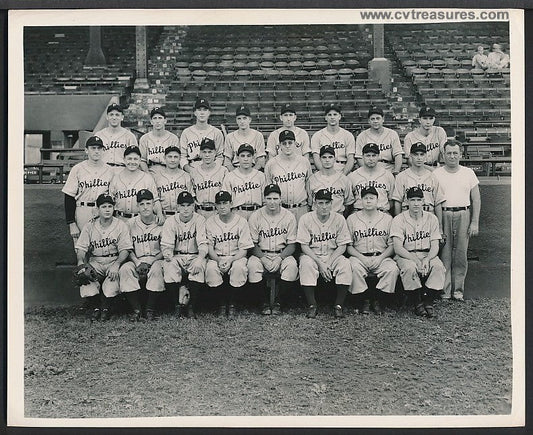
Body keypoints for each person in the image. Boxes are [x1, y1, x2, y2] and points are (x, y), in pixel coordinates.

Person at [433, 140, 481, 301]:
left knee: (461, 254)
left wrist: (474, 222)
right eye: (449, 153)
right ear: (443, 154)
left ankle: (458, 291)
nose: (452, 156)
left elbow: (476, 199)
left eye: (455, 153)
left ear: (460, 154)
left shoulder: (468, 173)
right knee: (445, 253)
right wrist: (438, 225)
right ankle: (445, 291)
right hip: (444, 213)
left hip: (463, 214)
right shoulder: (437, 174)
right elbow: (435, 201)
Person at [75, 193, 132, 321]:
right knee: (86, 279)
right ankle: (96, 307)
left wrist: (117, 264)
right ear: (97, 209)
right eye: (104, 206)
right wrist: (80, 263)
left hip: (114, 260)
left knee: (111, 286)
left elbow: (125, 249)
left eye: (110, 206)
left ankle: (106, 308)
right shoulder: (89, 226)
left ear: (114, 208)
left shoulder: (121, 225)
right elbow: (81, 248)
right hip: (96, 260)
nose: (107, 209)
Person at [390, 187, 446, 318]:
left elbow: (435, 245)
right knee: (409, 268)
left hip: (427, 253)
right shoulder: (398, 219)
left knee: (438, 267)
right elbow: (398, 248)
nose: (416, 203)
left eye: (419, 200)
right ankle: (417, 303)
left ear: (423, 201)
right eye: (412, 200)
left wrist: (427, 259)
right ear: (407, 202)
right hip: (406, 254)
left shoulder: (432, 218)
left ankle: (428, 301)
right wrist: (415, 260)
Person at [297, 189, 352, 319]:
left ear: (331, 203)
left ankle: (338, 305)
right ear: (315, 204)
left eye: (327, 203)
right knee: (306, 264)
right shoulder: (306, 218)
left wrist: (328, 263)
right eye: (320, 203)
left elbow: (342, 245)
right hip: (312, 254)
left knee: (345, 264)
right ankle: (312, 305)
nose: (324, 206)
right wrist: (320, 263)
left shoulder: (339, 219)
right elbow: (304, 246)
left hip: (333, 254)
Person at [346, 186, 399, 315]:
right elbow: (348, 246)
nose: (368, 201)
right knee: (352, 267)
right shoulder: (352, 219)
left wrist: (380, 258)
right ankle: (363, 300)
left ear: (377, 200)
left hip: (381, 256)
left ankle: (377, 300)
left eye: (371, 198)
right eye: (365, 198)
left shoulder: (387, 219)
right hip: (359, 256)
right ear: (361, 201)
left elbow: (392, 245)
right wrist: (362, 258)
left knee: (392, 269)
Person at [247, 184, 299, 315]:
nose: (272, 202)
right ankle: (263, 301)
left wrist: (280, 258)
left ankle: (278, 302)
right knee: (252, 265)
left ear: (281, 199)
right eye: (269, 198)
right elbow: (252, 244)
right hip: (261, 253)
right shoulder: (255, 216)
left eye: (275, 199)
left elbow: (292, 244)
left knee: (292, 266)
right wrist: (263, 259)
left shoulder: (289, 216)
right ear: (264, 199)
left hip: (282, 253)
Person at [205, 191, 254, 318]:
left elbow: (244, 249)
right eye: (219, 204)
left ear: (231, 204)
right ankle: (222, 304)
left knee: (239, 268)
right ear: (215, 206)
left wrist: (232, 260)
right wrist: (217, 260)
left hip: (236, 256)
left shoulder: (241, 221)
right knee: (210, 269)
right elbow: (209, 247)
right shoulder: (210, 222)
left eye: (225, 203)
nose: (222, 206)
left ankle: (232, 303)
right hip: (217, 256)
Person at [160, 191, 209, 319]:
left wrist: (199, 259)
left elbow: (203, 244)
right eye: (182, 205)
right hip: (177, 256)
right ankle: (176, 306)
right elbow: (166, 245)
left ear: (193, 206)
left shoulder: (200, 219)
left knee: (198, 268)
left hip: (194, 255)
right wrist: (167, 254)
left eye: (188, 205)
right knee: (169, 266)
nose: (185, 209)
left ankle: (191, 307)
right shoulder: (170, 221)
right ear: (178, 207)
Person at [118, 189, 165, 321]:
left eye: (148, 203)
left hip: (156, 259)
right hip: (136, 259)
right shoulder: (129, 224)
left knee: (156, 270)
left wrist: (152, 261)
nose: (145, 207)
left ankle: (150, 309)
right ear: (137, 206)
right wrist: (137, 262)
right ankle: (136, 309)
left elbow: (166, 248)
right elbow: (127, 247)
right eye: (142, 204)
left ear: (153, 205)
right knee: (125, 269)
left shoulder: (161, 222)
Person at [62, 135, 114, 247]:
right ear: (86, 150)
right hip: (82, 210)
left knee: (102, 246)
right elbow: (69, 196)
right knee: (82, 247)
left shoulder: (110, 170)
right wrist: (71, 223)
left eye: (99, 148)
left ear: (103, 150)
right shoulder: (77, 169)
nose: (96, 151)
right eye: (93, 148)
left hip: (103, 212)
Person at [391, 142, 445, 235]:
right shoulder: (402, 176)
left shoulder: (433, 176)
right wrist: (399, 222)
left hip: (429, 215)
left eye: (422, 154)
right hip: (407, 216)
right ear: (410, 156)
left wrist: (439, 227)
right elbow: (398, 202)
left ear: (426, 156)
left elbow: (438, 203)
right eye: (416, 154)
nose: (419, 158)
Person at [264, 130, 312, 223]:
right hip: (280, 209)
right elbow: (268, 188)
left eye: (290, 142)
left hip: (301, 208)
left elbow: (308, 184)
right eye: (284, 143)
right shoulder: (271, 164)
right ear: (279, 145)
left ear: (295, 144)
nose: (287, 145)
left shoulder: (304, 162)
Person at [108, 145, 164, 224]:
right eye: (129, 159)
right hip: (120, 219)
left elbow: (155, 199)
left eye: (135, 159)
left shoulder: (147, 178)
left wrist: (159, 214)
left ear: (140, 160)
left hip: (140, 220)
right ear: (124, 159)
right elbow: (110, 201)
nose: (132, 162)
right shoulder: (116, 178)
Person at [179, 98, 224, 173]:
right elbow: (182, 156)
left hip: (212, 168)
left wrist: (213, 170)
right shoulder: (186, 132)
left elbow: (220, 156)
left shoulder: (217, 132)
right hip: (192, 166)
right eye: (199, 110)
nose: (202, 113)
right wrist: (189, 170)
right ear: (195, 112)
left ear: (209, 112)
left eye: (205, 110)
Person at [222, 144, 266, 220]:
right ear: (237, 157)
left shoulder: (260, 176)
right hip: (237, 213)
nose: (245, 159)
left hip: (257, 212)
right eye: (242, 156)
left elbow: (265, 199)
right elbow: (225, 201)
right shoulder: (230, 176)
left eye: (248, 156)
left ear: (253, 157)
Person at [307, 145, 354, 216]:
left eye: (330, 157)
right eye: (324, 157)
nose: (327, 160)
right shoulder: (312, 179)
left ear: (334, 159)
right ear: (320, 159)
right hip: (318, 218)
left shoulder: (344, 179)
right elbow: (310, 204)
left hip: (338, 217)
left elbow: (348, 203)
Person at [348, 143, 395, 214]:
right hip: (359, 212)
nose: (371, 159)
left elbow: (391, 201)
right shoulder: (353, 176)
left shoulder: (388, 175)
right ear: (362, 156)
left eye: (374, 155)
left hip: (381, 212)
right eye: (368, 156)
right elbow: (349, 203)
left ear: (378, 156)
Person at [355, 107, 403, 175]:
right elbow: (359, 158)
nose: (375, 121)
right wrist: (368, 172)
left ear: (383, 119)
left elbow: (398, 155)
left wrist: (396, 171)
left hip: (388, 169)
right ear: (368, 121)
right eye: (372, 119)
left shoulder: (392, 134)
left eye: (378, 118)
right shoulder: (361, 136)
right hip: (368, 170)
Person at [310, 103, 356, 174]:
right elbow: (316, 159)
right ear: (325, 117)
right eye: (329, 115)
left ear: (339, 116)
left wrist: (343, 174)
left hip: (343, 168)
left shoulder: (348, 135)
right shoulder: (317, 136)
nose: (332, 117)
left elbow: (350, 159)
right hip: (324, 170)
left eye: (335, 114)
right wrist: (325, 173)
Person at [190, 138, 228, 220]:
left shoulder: (223, 171)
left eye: (210, 152)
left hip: (217, 212)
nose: (207, 155)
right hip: (199, 211)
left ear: (215, 153)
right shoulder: (194, 172)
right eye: (204, 152)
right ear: (200, 153)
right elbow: (192, 195)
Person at [94, 103, 138, 173]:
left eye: (117, 115)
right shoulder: (99, 135)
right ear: (107, 117)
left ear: (122, 117)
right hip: (103, 171)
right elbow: (93, 156)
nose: (114, 117)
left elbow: (135, 157)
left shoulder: (129, 136)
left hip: (123, 170)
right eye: (111, 115)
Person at [153, 146, 193, 217]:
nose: (172, 160)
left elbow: (191, 199)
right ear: (164, 158)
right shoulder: (156, 177)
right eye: (170, 157)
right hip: (164, 215)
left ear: (180, 158)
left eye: (175, 157)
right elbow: (155, 200)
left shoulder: (186, 176)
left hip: (181, 216)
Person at [138, 107, 180, 175]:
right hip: (150, 170)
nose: (157, 121)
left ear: (165, 121)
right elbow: (142, 160)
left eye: (160, 118)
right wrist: (147, 174)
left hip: (168, 171)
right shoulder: (144, 138)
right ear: (151, 121)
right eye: (155, 118)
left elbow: (176, 160)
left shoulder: (173, 138)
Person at [223, 105, 266, 171]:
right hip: (235, 169)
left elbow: (261, 161)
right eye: (239, 118)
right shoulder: (230, 137)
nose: (242, 121)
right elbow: (227, 161)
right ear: (236, 120)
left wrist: (251, 174)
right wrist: (236, 174)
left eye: (244, 118)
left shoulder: (258, 136)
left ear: (250, 119)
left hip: (253, 170)